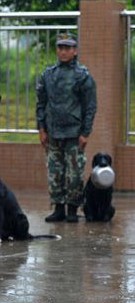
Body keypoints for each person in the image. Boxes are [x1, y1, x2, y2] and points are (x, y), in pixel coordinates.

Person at [36, 32, 97, 223]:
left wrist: (86, 132)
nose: (63, 51)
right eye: (60, 47)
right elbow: (41, 102)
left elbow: (90, 106)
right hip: (53, 132)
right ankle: (58, 208)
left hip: (74, 132)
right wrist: (41, 128)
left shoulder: (82, 76)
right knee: (55, 171)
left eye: (67, 48)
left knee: (75, 173)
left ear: (75, 50)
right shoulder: (48, 74)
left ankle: (72, 209)